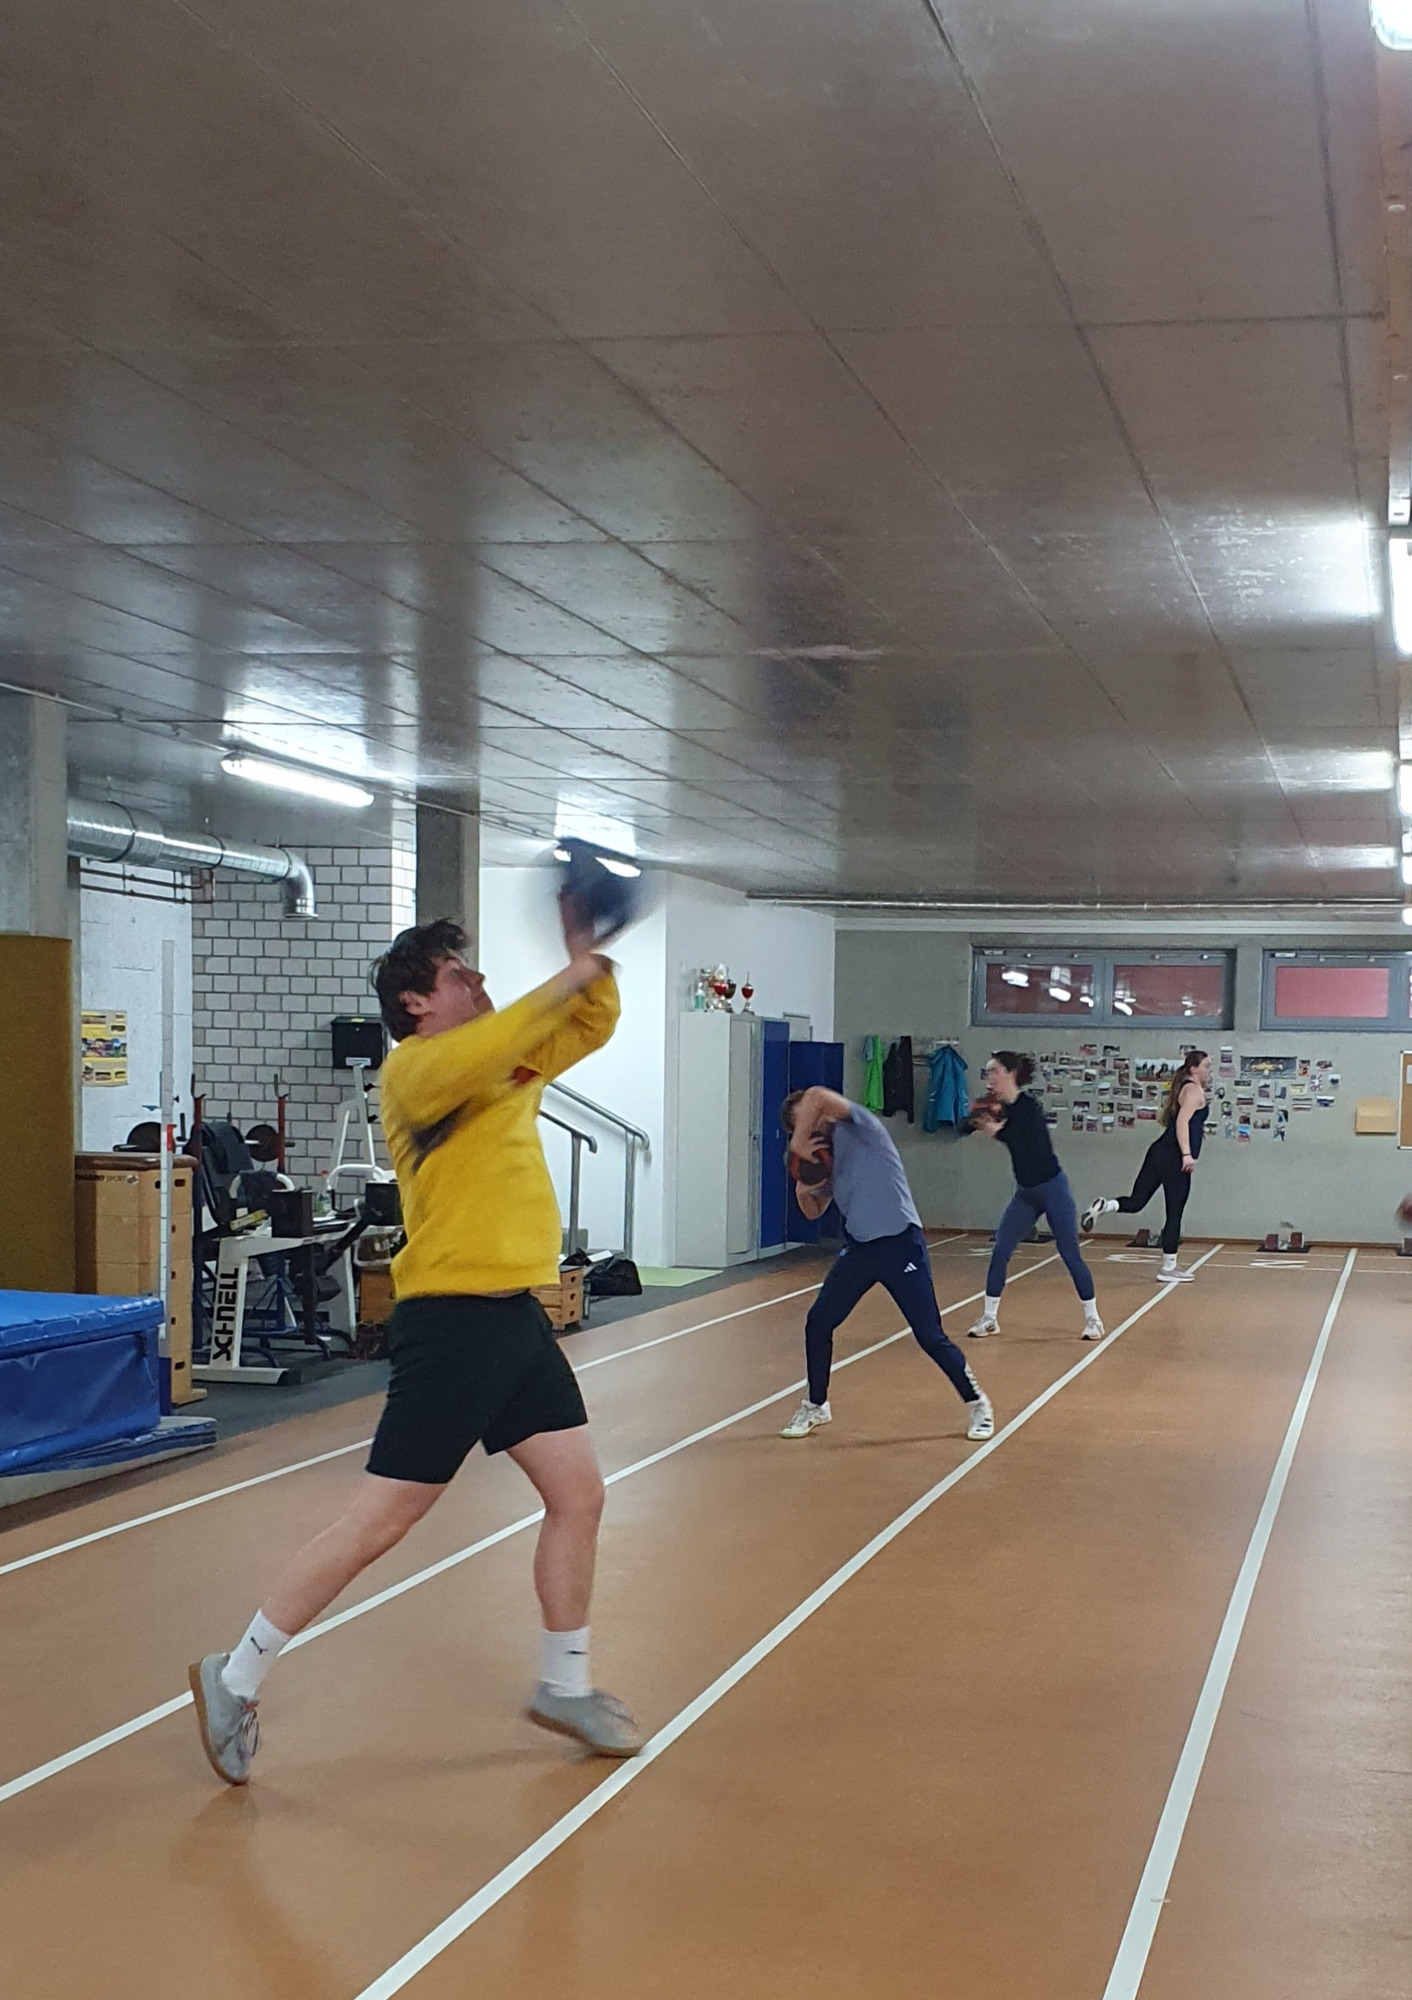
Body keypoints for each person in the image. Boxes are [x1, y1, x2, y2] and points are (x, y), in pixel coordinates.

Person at [188, 912, 641, 1787]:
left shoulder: (495, 1067)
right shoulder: (418, 1072)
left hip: (513, 1318)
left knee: (579, 1494)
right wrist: (568, 973)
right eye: (458, 976)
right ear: (415, 1003)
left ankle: (565, 1684)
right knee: (380, 1521)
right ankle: (235, 1674)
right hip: (453, 1324)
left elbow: (585, 1028)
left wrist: (590, 967)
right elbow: (508, 1034)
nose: (478, 984)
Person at [777, 1087, 993, 1443]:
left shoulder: (862, 1127)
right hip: (860, 1250)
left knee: (929, 1336)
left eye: (810, 1118)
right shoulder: (826, 1158)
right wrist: (804, 1189)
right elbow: (814, 1212)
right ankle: (816, 1405)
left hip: (901, 1245)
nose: (815, 1121)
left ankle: (978, 1403)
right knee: (818, 1322)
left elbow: (816, 1094)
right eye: (803, 1123)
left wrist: (797, 1142)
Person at [968, 1052, 1104, 1340]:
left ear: (1010, 1073)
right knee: (1001, 1250)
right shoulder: (1001, 1108)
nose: (990, 1077)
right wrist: (974, 1117)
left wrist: (996, 1130)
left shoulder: (1028, 1107)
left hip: (1053, 1189)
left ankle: (1094, 1319)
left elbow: (1024, 1140)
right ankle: (989, 1318)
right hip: (1026, 1195)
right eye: (988, 1072)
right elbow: (966, 1126)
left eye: (994, 1071)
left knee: (1070, 1253)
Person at [1082, 1049, 1211, 1283]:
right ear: (1194, 1069)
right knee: (1174, 1212)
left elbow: (1186, 1123)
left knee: (1136, 1201)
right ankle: (1168, 1268)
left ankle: (1105, 1205)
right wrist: (1187, 1154)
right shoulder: (1194, 1091)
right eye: (1206, 1067)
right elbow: (1182, 1123)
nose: (1209, 1071)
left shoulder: (1183, 1089)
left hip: (1158, 1152)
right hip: (1174, 1158)